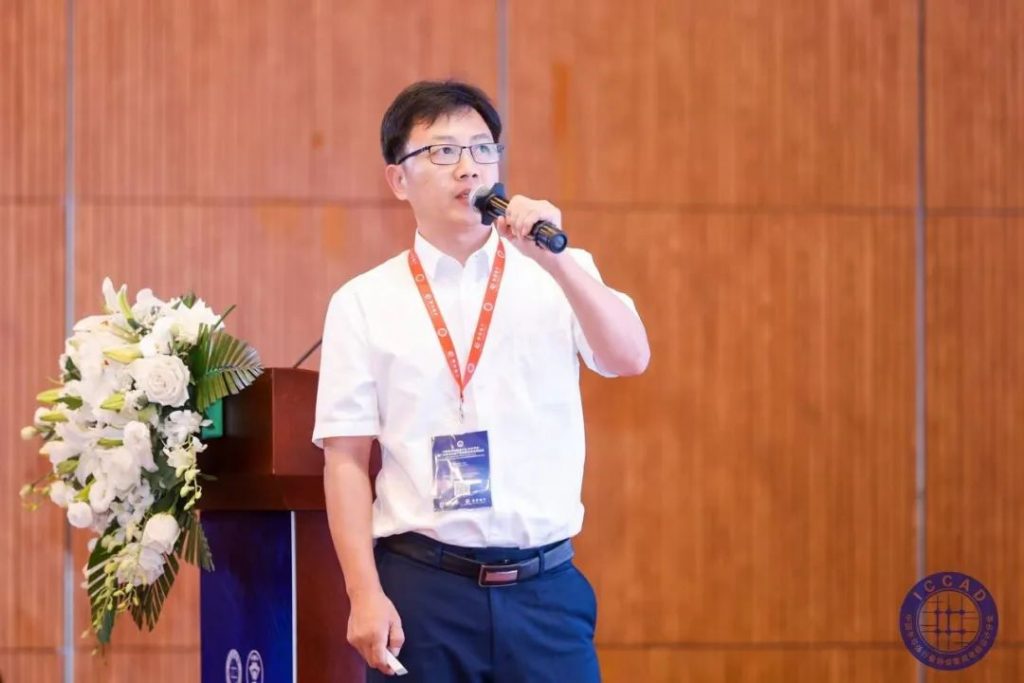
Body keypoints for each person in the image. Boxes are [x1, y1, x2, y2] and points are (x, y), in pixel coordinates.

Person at [313, 80, 650, 682]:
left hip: (545, 594)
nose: (468, 167)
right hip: (422, 591)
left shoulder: (558, 272)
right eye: (443, 151)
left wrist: (556, 262)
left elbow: (630, 357)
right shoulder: (362, 302)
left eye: (482, 149)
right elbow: (344, 460)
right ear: (398, 179)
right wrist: (363, 593)